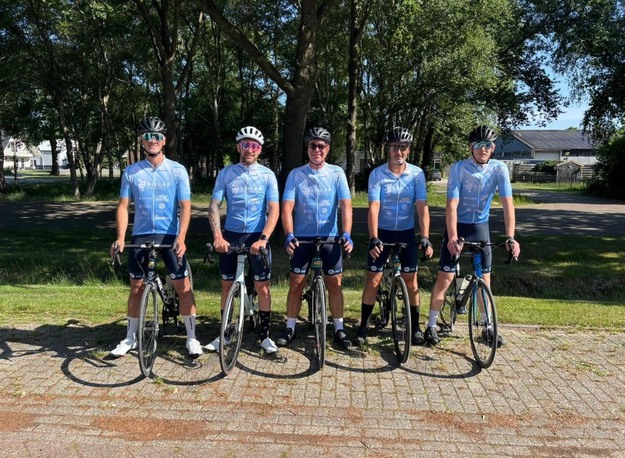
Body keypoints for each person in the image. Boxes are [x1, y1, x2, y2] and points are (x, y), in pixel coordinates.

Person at [110, 116, 202, 358]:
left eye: (157, 136)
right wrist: (120, 237)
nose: (153, 140)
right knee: (136, 288)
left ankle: (192, 338)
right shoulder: (131, 172)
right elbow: (123, 206)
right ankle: (130, 337)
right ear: (142, 141)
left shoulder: (177, 170)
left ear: (164, 140)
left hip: (169, 235)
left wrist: (182, 237)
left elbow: (185, 206)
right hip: (140, 234)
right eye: (148, 136)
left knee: (183, 287)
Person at [426, 125, 521, 347]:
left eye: (487, 144)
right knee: (446, 277)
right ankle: (431, 325)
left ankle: (488, 327)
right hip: (458, 226)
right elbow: (452, 204)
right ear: (471, 147)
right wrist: (452, 236)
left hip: (480, 227)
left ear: (493, 147)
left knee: (484, 279)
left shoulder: (499, 169)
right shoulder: (459, 168)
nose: (482, 149)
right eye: (478, 144)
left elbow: (508, 205)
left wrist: (510, 236)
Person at [355, 127, 434, 347]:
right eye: (394, 147)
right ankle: (363, 326)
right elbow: (374, 207)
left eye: (403, 147)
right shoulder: (377, 174)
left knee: (411, 280)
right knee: (373, 279)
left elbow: (422, 207)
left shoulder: (417, 174)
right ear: (388, 149)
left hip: (406, 232)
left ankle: (415, 327)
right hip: (382, 232)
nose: (398, 151)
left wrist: (425, 236)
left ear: (408, 150)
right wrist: (373, 237)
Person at [205, 126, 280, 354]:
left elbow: (274, 209)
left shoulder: (267, 175)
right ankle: (226, 333)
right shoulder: (226, 173)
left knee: (263, 287)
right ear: (238, 147)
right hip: (231, 234)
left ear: (260, 150)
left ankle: (264, 336)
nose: (250, 149)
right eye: (245, 144)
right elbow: (214, 205)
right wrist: (218, 236)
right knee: (227, 286)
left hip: (257, 236)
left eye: (254, 146)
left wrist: (264, 238)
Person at [278, 127, 354, 349]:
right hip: (302, 237)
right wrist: (289, 234)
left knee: (335, 284)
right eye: (313, 145)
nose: (317, 149)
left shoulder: (337, 173)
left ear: (327, 149)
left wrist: (346, 233)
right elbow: (287, 208)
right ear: (307, 148)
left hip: (330, 237)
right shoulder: (296, 174)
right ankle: (290, 327)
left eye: (321, 145)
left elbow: (346, 206)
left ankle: (339, 329)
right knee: (296, 283)